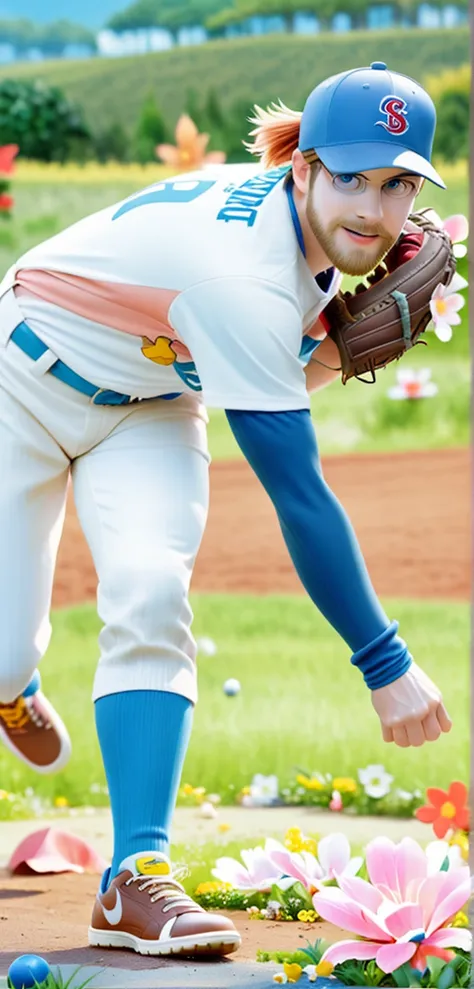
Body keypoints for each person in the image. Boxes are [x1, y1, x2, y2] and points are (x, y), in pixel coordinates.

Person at [0, 61, 453, 958]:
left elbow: (271, 366)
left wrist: (342, 340)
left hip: (154, 404)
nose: (373, 206)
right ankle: (11, 685)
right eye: (352, 177)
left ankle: (136, 875)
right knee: (5, 645)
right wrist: (385, 662)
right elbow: (298, 490)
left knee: (152, 591)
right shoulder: (240, 274)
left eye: (398, 182)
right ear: (305, 169)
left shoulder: (312, 244)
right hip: (23, 379)